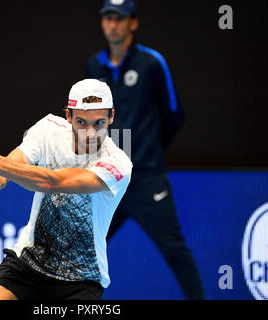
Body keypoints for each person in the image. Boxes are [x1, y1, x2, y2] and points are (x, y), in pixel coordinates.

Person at [0, 79, 132, 300]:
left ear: (112, 117)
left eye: (98, 123)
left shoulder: (118, 164)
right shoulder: (47, 130)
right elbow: (8, 171)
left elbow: (53, 182)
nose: (90, 133)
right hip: (28, 263)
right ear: (68, 116)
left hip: (81, 279)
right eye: (81, 122)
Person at [85, 0, 204, 299]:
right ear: (102, 23)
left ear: (133, 23)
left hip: (147, 180)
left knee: (176, 252)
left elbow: (175, 115)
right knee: (84, 251)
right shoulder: (93, 66)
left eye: (120, 18)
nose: (113, 24)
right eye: (108, 18)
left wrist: (148, 152)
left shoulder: (152, 63)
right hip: (106, 180)